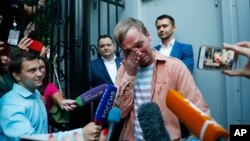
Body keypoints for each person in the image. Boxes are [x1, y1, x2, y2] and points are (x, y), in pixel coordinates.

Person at [113, 18, 210, 141]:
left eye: (139, 45)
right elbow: (119, 113)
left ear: (148, 35)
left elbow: (199, 111)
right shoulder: (123, 70)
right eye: (128, 51)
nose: (137, 54)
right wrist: (130, 74)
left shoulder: (175, 67)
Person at [0, 52, 102, 141]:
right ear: (16, 75)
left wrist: (61, 102)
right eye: (32, 70)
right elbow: (28, 139)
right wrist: (80, 135)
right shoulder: (10, 105)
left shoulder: (35, 93)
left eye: (40, 68)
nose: (40, 74)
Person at [89, 35, 123, 141]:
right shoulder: (92, 65)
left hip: (123, 111)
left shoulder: (124, 62)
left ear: (113, 46)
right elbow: (90, 89)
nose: (106, 47)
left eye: (108, 45)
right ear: (99, 49)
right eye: (102, 46)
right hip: (103, 113)